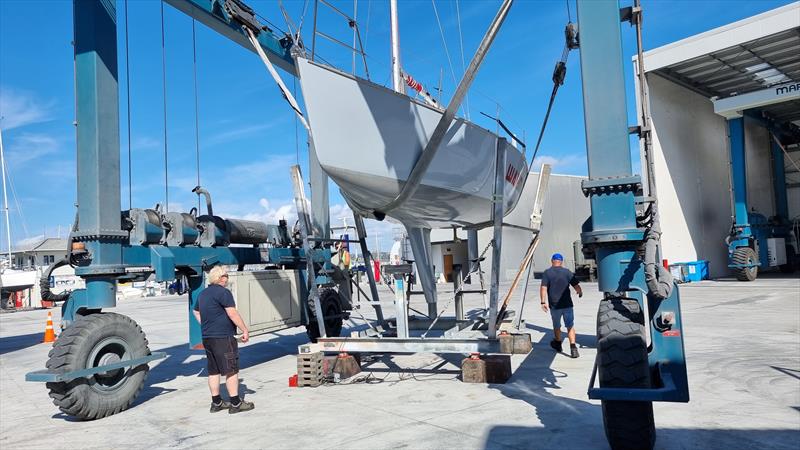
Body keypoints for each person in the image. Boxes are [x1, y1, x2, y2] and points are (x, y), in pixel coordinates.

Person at [192, 265, 254, 414]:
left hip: (208, 337)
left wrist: (207, 324)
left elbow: (195, 311)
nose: (227, 278)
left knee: (214, 371)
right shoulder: (224, 293)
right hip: (223, 337)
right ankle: (235, 403)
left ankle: (217, 402)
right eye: (226, 276)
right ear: (221, 278)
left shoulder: (203, 294)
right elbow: (232, 313)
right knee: (231, 370)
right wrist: (244, 329)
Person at [540, 253, 583, 358]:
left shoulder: (547, 273)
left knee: (557, 326)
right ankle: (573, 348)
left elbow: (543, 288)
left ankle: (558, 344)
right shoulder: (567, 272)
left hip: (555, 306)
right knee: (570, 326)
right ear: (561, 261)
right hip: (567, 304)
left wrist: (542, 302)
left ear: (552, 261)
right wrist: (579, 292)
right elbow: (576, 285)